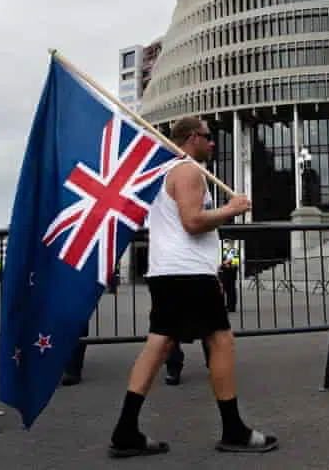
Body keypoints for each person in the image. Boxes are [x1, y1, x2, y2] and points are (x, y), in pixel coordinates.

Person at [108, 116, 277, 458]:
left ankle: (125, 429)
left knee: (158, 345)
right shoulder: (188, 171)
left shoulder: (166, 172)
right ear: (190, 139)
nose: (213, 143)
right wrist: (231, 209)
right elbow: (192, 222)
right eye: (208, 136)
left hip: (168, 272)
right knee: (221, 341)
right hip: (187, 274)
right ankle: (233, 430)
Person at [219, 239, 239, 312]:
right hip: (225, 271)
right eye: (226, 242)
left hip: (230, 271)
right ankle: (228, 305)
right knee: (227, 289)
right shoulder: (225, 250)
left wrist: (224, 263)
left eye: (228, 242)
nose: (226, 244)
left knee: (230, 289)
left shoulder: (234, 250)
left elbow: (233, 262)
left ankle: (231, 306)